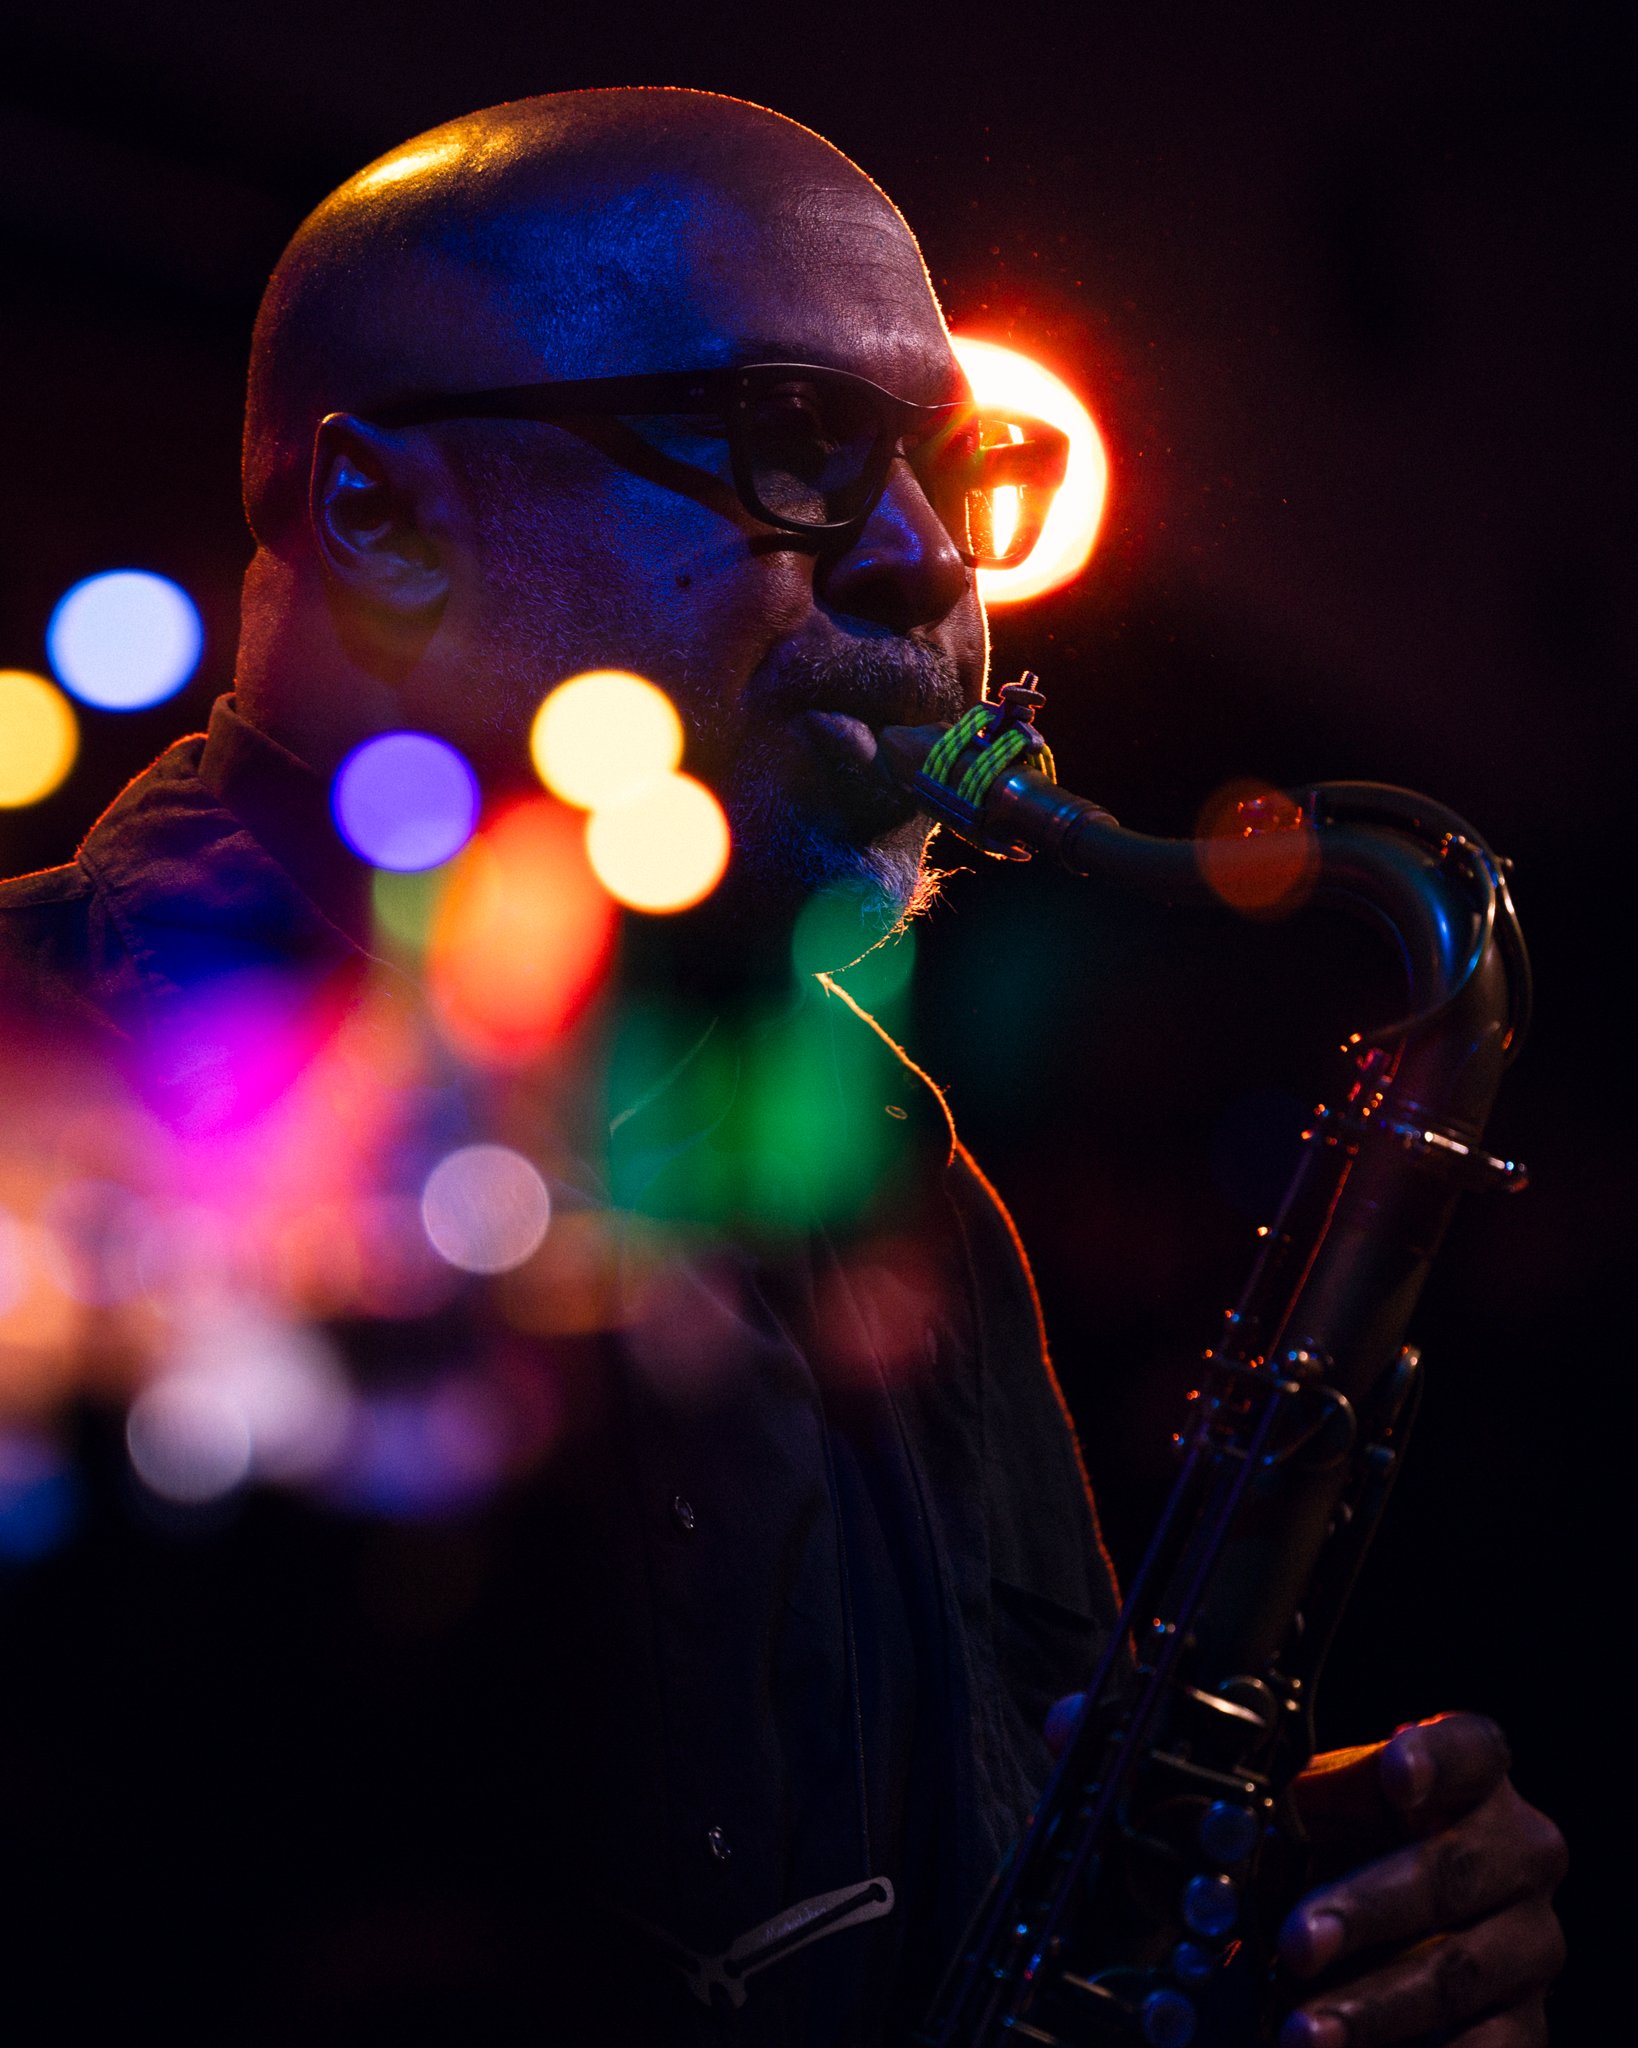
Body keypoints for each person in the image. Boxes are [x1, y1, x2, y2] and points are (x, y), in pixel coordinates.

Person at [0, 89, 1564, 2045]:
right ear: (378, 513)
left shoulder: (877, 1153)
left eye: (948, 465)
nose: (928, 564)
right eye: (794, 440)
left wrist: (1283, 1965)